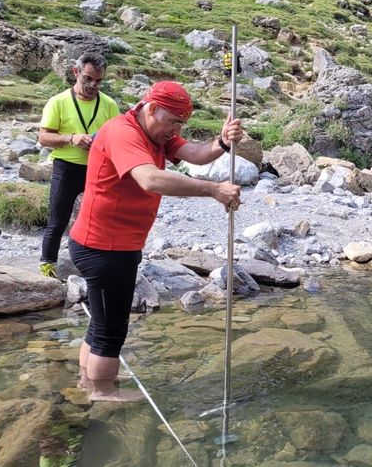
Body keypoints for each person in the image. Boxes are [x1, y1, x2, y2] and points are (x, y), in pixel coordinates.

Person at [69, 81, 243, 401]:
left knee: (101, 322)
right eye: (174, 122)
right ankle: (103, 393)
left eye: (182, 124)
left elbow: (195, 153)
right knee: (111, 330)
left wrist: (221, 141)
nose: (176, 130)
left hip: (115, 244)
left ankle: (87, 384)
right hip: (104, 246)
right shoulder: (123, 133)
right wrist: (213, 190)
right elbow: (149, 179)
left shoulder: (155, 131)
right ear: (152, 110)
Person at [37, 53, 119, 278]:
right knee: (58, 219)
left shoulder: (109, 105)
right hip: (67, 167)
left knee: (102, 218)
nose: (93, 85)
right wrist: (71, 138)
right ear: (76, 72)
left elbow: (118, 137)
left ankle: (99, 264)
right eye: (88, 78)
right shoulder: (58, 101)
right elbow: (44, 138)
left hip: (99, 168)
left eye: (99, 81)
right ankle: (47, 267)